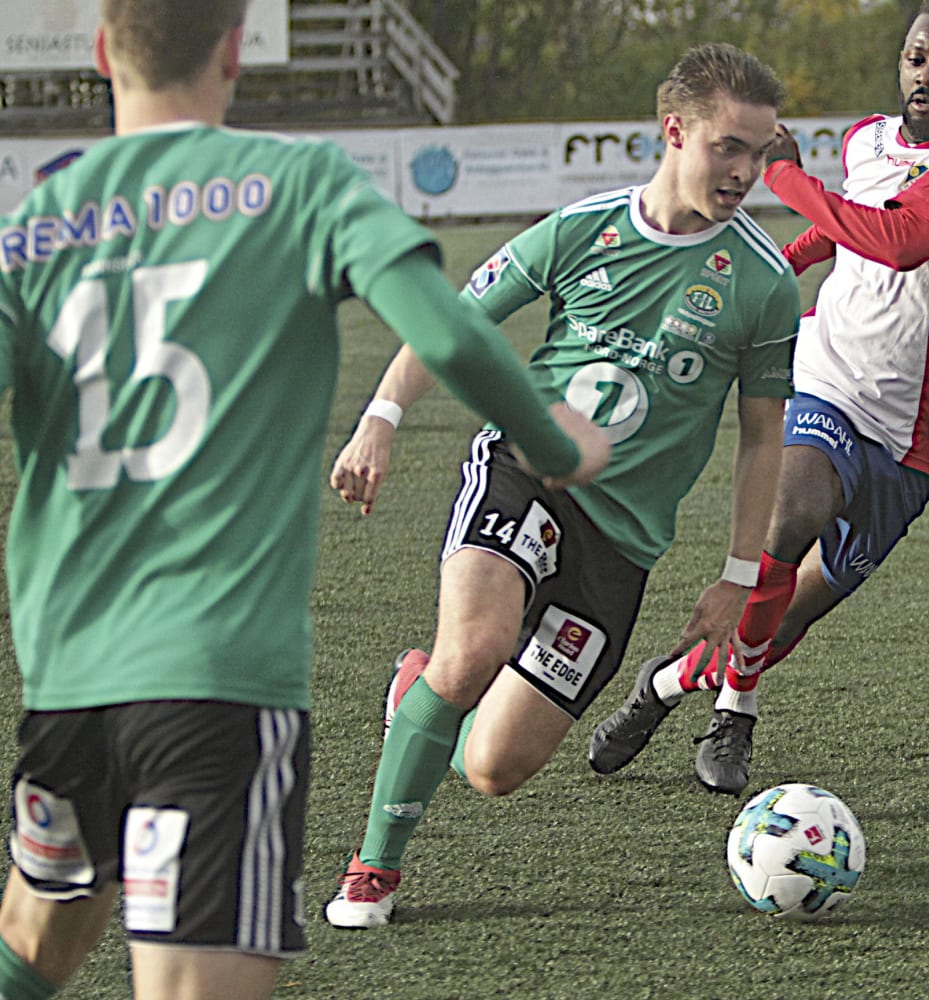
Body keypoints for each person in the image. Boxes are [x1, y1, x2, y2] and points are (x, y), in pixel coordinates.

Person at [0, 1, 608, 997]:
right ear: (236, 49)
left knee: (44, 933)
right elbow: (449, 333)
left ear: (104, 51)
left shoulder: (34, 225)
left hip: (68, 672)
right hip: (214, 673)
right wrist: (554, 443)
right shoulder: (300, 182)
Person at [322, 42, 800, 930]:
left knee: (492, 768)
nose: (745, 171)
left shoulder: (765, 283)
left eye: (760, 151)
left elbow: (762, 434)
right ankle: (372, 871)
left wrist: (740, 575)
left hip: (620, 545)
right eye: (729, 146)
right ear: (675, 131)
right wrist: (381, 417)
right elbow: (455, 323)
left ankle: (417, 694)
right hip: (525, 474)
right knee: (473, 651)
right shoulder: (582, 230)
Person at [589, 0, 929, 796]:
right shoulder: (867, 140)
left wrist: (787, 177)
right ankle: (736, 714)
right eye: (916, 56)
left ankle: (665, 685)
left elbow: (899, 241)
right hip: (825, 373)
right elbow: (843, 229)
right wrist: (776, 270)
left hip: (915, 434)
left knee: (783, 616)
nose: (926, 74)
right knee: (790, 518)